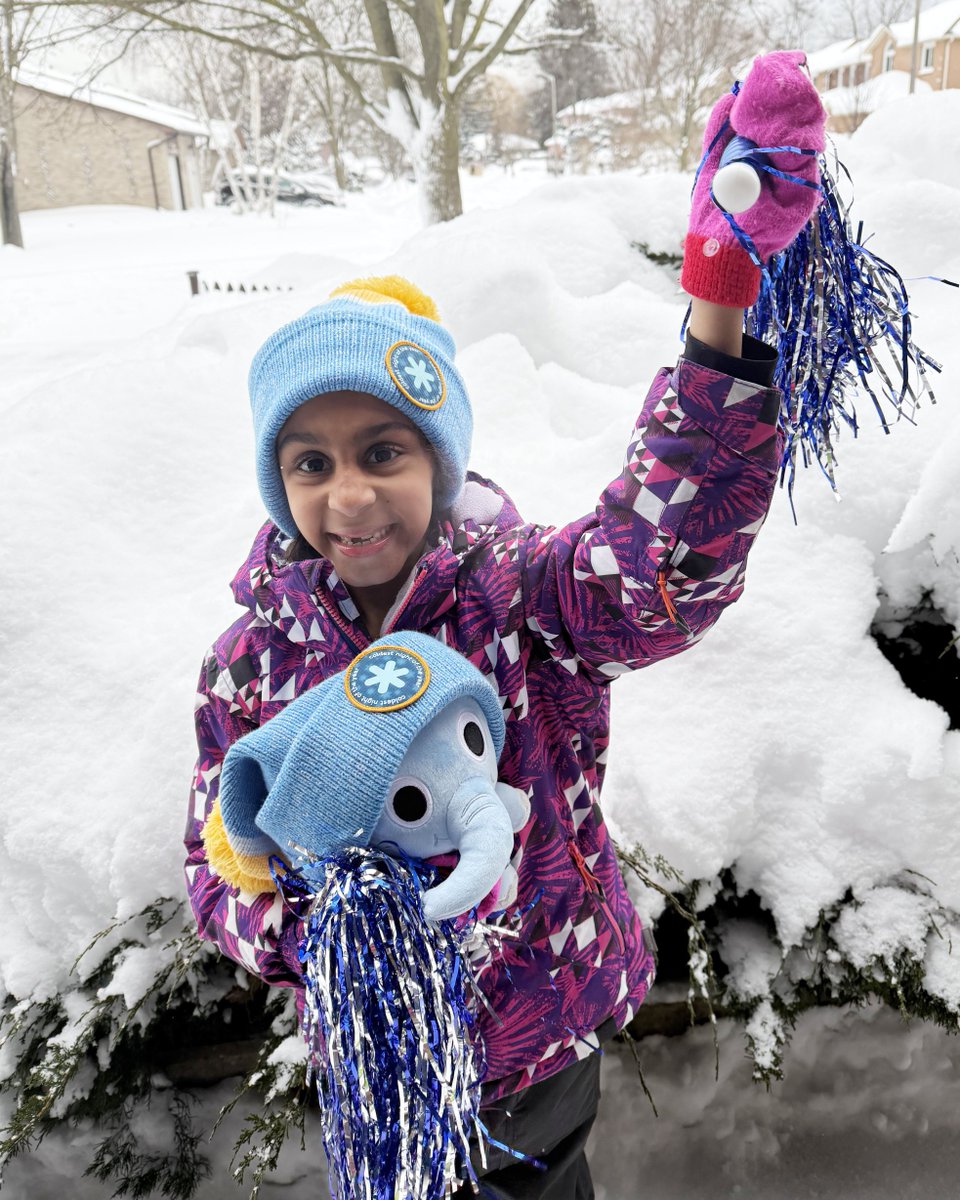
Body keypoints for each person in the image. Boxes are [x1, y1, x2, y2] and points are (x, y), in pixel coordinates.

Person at [185, 51, 826, 1200]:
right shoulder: (255, 661)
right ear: (279, 482)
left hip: (533, 1047)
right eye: (311, 462)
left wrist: (720, 305)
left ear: (439, 460)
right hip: (378, 1077)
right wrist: (317, 940)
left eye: (384, 452)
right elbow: (215, 859)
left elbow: (661, 561)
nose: (349, 494)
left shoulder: (526, 599)